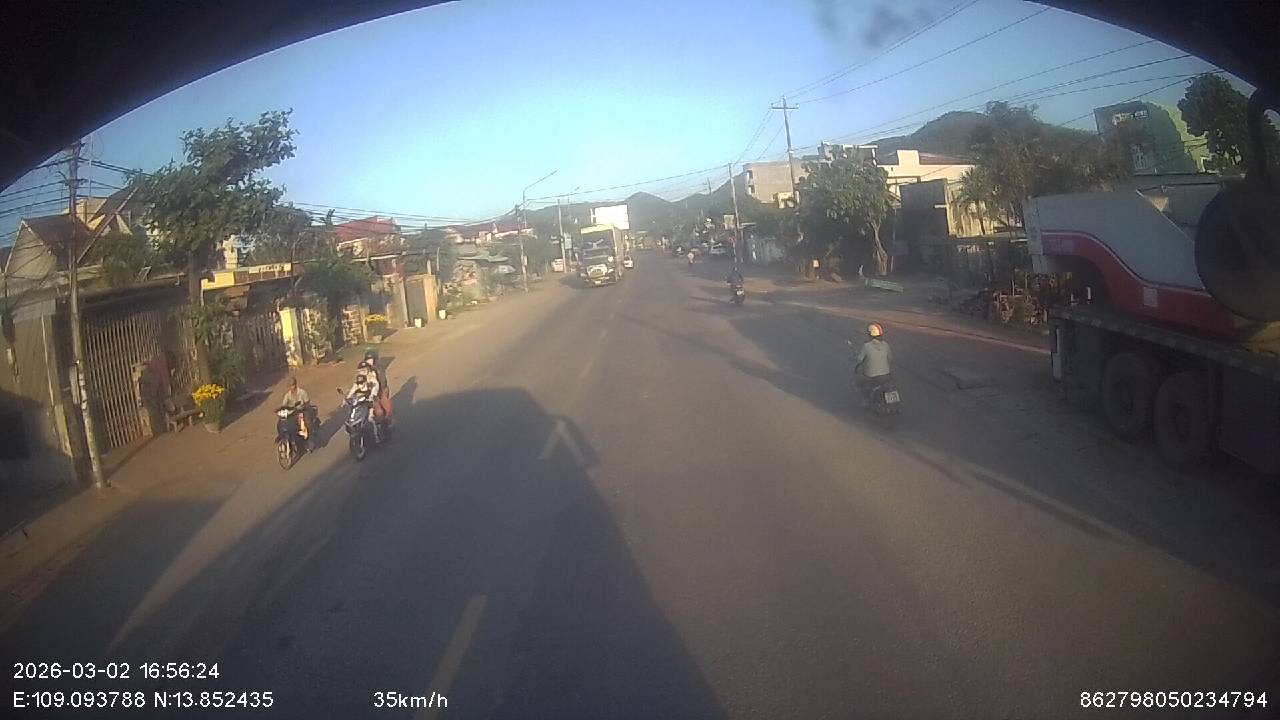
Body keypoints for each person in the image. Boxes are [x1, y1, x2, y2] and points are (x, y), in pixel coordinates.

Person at [852, 322, 893, 405]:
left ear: (870, 334)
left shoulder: (866, 346)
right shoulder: (886, 345)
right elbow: (890, 358)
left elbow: (859, 359)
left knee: (857, 382)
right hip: (886, 375)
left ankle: (865, 401)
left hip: (871, 376)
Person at [281, 376, 319, 450]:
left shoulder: (302, 392)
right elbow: (284, 405)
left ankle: (310, 440)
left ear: (295, 384)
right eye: (290, 386)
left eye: (293, 385)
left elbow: (307, 403)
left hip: (304, 411)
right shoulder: (287, 396)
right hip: (293, 413)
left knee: (306, 423)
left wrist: (302, 408)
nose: (292, 387)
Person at [357, 349, 393, 422]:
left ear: (375, 359)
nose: (369, 361)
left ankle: (388, 418)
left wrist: (378, 391)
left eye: (371, 359)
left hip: (381, 389)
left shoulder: (379, 369)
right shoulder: (365, 368)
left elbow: (382, 382)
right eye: (367, 359)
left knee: (384, 403)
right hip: (370, 391)